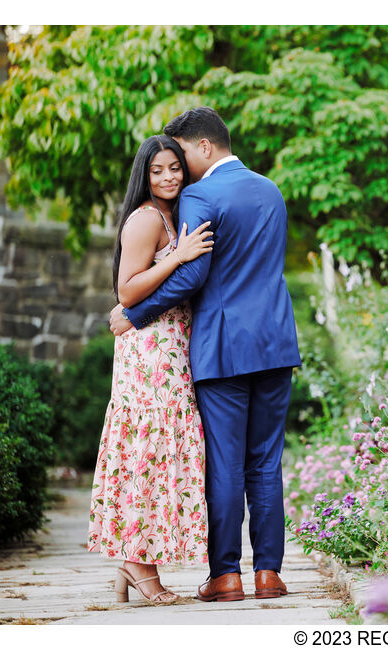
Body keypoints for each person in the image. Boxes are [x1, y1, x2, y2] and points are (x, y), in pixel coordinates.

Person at [109, 107, 302, 602]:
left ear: (204, 148)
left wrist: (135, 313)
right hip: (277, 341)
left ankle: (227, 575)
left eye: (183, 157)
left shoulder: (201, 194)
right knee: (266, 461)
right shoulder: (271, 189)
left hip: (222, 347)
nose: (179, 170)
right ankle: (270, 573)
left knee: (225, 464)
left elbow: (193, 275)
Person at [89, 135, 214, 603]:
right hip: (150, 353)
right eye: (158, 170)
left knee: (159, 450)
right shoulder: (145, 219)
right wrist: (178, 257)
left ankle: (135, 563)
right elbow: (126, 292)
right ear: (145, 173)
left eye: (175, 168)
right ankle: (141, 566)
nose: (169, 177)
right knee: (150, 449)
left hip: (169, 348)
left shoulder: (172, 214)